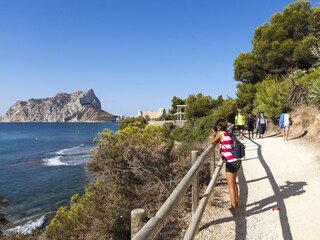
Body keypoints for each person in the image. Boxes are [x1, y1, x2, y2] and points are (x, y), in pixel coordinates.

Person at [210, 119, 241, 215]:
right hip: (236, 161)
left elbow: (211, 142)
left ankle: (233, 208)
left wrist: (214, 133)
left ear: (219, 127)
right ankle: (236, 203)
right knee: (234, 184)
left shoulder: (221, 134)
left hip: (230, 162)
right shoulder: (229, 133)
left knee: (231, 185)